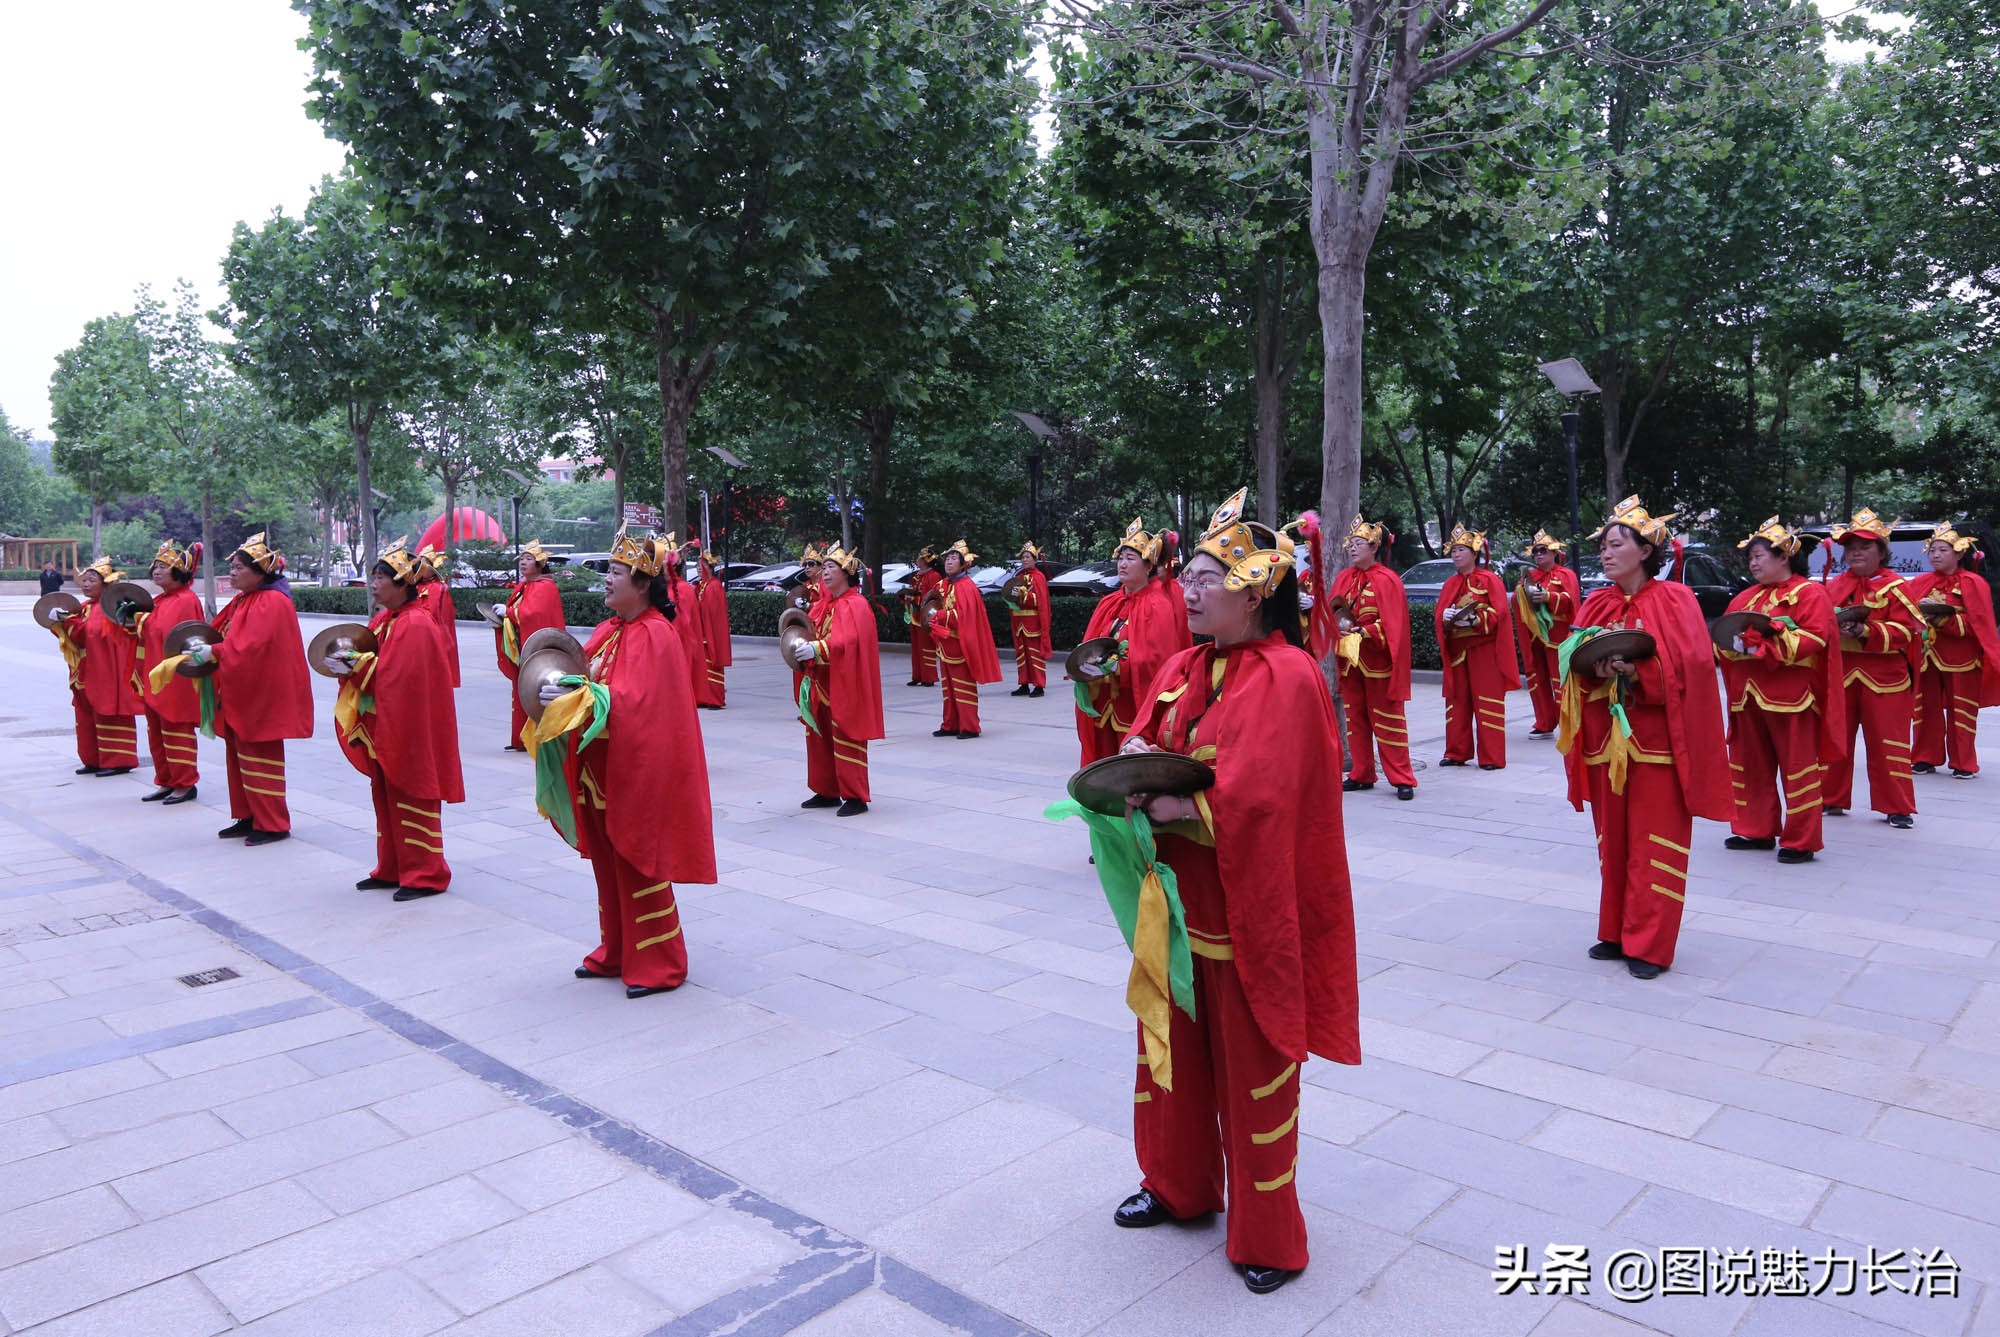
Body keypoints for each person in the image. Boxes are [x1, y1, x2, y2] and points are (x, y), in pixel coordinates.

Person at [1111, 487, 1360, 1296]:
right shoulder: (1187, 667)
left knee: (1255, 1075)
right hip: (1179, 912)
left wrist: (1192, 802)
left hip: (1250, 917)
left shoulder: (1288, 675)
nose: (1187, 587)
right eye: (1185, 575)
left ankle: (1269, 1236)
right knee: (1170, 1061)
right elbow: (1143, 737)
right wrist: (1134, 761)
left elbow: (1273, 797)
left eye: (1205, 578)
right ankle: (1178, 1187)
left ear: (1255, 590)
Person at [529, 529, 716, 997]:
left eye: (613, 572)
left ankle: (658, 961)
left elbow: (642, 706)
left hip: (635, 773)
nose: (606, 581)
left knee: (638, 860)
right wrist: (561, 686)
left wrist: (586, 695)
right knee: (607, 863)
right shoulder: (607, 631)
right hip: (598, 771)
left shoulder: (657, 634)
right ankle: (617, 949)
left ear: (641, 581)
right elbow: (586, 678)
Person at [1558, 497, 1730, 979]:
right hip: (1605, 744)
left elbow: (1693, 670)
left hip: (1658, 745)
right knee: (1612, 841)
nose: (1606, 554)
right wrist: (1593, 666)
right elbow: (1570, 663)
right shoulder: (1597, 601)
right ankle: (1615, 931)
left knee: (1655, 842)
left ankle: (1650, 944)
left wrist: (1640, 671)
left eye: (1616, 545)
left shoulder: (1675, 600)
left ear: (1645, 551)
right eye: (1604, 547)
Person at [329, 539, 465, 901]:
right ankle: (391, 867)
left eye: (380, 578)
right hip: (383, 726)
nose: (373, 584)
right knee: (385, 793)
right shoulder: (386, 619)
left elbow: (397, 679)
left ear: (403, 583)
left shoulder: (416, 623)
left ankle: (425, 873)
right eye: (373, 577)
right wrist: (347, 664)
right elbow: (376, 666)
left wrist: (357, 667)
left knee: (413, 792)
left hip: (410, 728)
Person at [1714, 518, 1844, 864]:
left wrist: (1770, 642)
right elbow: (1722, 642)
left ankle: (1801, 839)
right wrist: (1734, 645)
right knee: (1749, 765)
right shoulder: (1745, 596)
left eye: (1759, 556)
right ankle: (1754, 829)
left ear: (1784, 556)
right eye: (1751, 558)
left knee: (1798, 767)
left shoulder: (1810, 592)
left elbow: (1816, 638)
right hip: (1748, 695)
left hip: (1792, 697)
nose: (1753, 563)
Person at [182, 534, 313, 846]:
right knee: (240, 756)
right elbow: (220, 633)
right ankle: (249, 815)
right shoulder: (245, 599)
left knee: (260, 756)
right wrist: (208, 646)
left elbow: (248, 648)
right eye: (234, 567)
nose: (233, 573)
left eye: (240, 567)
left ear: (260, 572)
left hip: (263, 693)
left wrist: (215, 652)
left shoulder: (272, 601)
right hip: (243, 690)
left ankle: (273, 823)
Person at [1822, 509, 1922, 828]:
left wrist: (1867, 632)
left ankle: (1897, 806)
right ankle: (1831, 797)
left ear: (1881, 551)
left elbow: (1908, 633)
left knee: (1889, 743)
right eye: (1851, 547)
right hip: (1842, 675)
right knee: (1836, 737)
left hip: (1885, 679)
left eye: (1865, 547)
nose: (1856, 552)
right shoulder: (1834, 585)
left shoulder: (1896, 586)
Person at [1073, 519, 1192, 766]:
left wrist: (1118, 667)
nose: (1123, 564)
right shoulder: (1110, 602)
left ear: (1149, 566)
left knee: (1129, 766)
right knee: (1101, 765)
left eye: (1131, 558)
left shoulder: (1157, 605)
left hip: (1133, 706)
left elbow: (1158, 662)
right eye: (1121, 558)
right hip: (1103, 701)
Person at [1328, 515, 1417, 800]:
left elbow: (1393, 625)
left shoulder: (1387, 580)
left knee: (1388, 720)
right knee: (1356, 719)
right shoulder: (1344, 578)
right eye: (1351, 544)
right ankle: (1362, 772)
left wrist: (1365, 631)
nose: (1353, 549)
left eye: (1359, 544)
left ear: (1373, 547)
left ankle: (1402, 777)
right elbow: (1333, 613)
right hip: (1350, 660)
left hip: (1379, 662)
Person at [793, 544, 884, 816]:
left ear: (846, 573)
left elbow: (849, 642)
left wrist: (817, 649)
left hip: (845, 681)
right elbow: (810, 633)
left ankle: (856, 796)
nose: (825, 572)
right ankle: (826, 790)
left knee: (847, 735)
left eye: (832, 567)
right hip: (820, 680)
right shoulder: (822, 605)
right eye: (826, 567)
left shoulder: (856, 604)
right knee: (818, 734)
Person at [1906, 523, 2000, 778]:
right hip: (1928, 655)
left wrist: (1945, 621)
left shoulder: (1973, 582)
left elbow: (1979, 623)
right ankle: (1925, 756)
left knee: (1963, 710)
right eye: (1933, 550)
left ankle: (1963, 762)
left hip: (1963, 658)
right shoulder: (1920, 582)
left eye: (1943, 550)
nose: (1936, 555)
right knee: (1925, 708)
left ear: (1959, 554)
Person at [1434, 525, 1519, 769]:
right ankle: (1456, 751)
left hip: (1483, 649)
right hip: (1457, 650)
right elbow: (1439, 613)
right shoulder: (1450, 584)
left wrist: (1474, 619)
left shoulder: (1490, 579)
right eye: (1453, 551)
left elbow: (1500, 613)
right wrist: (1445, 616)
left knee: (1487, 699)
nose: (1456, 555)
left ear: (1474, 553)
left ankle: (1491, 756)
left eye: (1461, 550)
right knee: (1456, 700)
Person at [48, 557, 142, 777]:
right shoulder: (86, 606)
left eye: (92, 580)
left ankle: (118, 760)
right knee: (86, 714)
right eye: (84, 580)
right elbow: (75, 635)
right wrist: (59, 623)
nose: (86, 584)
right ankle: (93, 759)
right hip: (85, 670)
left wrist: (67, 621)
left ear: (106, 584)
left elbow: (90, 633)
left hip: (105, 671)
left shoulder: (107, 608)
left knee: (108, 711)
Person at [136, 540, 205, 804]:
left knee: (176, 729)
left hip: (176, 676)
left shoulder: (186, 600)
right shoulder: (160, 600)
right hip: (156, 675)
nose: (156, 570)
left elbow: (190, 640)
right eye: (155, 565)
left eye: (164, 566)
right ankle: (165, 780)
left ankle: (185, 783)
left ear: (179, 571)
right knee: (156, 730)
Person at [496, 540, 567, 751]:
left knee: (534, 690)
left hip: (537, 650)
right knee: (522, 690)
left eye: (528, 559)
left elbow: (533, 614)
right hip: (523, 647)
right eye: (522, 559)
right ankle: (521, 738)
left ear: (539, 564)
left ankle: (537, 738)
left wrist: (508, 613)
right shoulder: (525, 586)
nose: (523, 563)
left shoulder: (544, 587)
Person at [928, 539, 1001, 738]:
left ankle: (969, 726)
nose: (949, 562)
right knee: (948, 687)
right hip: (944, 644)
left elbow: (966, 617)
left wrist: (943, 616)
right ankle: (950, 724)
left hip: (960, 644)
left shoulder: (967, 586)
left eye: (954, 558)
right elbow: (931, 604)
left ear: (963, 564)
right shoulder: (942, 584)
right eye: (947, 558)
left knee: (963, 686)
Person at [1513, 530, 1582, 738]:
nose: (1539, 555)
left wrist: (1549, 597)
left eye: (1543, 550)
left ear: (1554, 553)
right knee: (1538, 679)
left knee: (1559, 679)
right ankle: (1544, 722)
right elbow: (1517, 602)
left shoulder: (1565, 575)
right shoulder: (1530, 577)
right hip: (1535, 636)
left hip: (1558, 636)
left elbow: (1571, 602)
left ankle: (1567, 723)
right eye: (1535, 552)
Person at [687, 537, 732, 708]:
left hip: (709, 632)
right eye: (698, 566)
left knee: (712, 664)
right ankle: (702, 697)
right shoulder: (702, 585)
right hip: (700, 632)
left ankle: (715, 698)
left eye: (702, 566)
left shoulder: (713, 586)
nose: (699, 568)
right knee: (701, 667)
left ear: (710, 567)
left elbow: (710, 612)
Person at [1008, 542, 1053, 697]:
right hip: (1019, 622)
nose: (1025, 560)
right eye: (1023, 557)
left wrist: (1024, 595)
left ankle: (1039, 686)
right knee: (1022, 654)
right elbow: (1012, 599)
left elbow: (1039, 601)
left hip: (1033, 623)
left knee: (1035, 654)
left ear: (1034, 559)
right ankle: (1024, 683)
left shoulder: (1038, 577)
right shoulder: (1019, 577)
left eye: (1027, 557)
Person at [414, 544, 462, 688]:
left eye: (425, 563)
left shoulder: (438, 589)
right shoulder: (415, 587)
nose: (421, 567)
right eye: (419, 563)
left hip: (433, 636)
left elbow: (438, 616)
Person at [906, 546, 943, 687]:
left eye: (919, 558)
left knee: (926, 646)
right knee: (916, 647)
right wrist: (906, 597)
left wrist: (918, 599)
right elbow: (912, 591)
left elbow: (934, 597)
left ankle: (929, 677)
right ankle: (917, 675)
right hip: (914, 615)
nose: (917, 560)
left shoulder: (934, 576)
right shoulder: (917, 575)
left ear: (925, 561)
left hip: (926, 615)